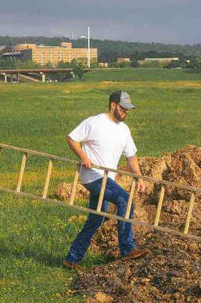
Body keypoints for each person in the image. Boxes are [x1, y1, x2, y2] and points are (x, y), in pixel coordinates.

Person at [63, 91, 150, 270]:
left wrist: (139, 178)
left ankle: (72, 259)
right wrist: (83, 157)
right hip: (93, 176)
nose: (126, 112)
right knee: (124, 200)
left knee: (96, 219)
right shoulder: (94, 122)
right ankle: (127, 249)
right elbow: (71, 138)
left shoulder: (124, 130)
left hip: (106, 178)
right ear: (113, 105)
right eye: (123, 108)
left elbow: (131, 157)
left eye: (128, 109)